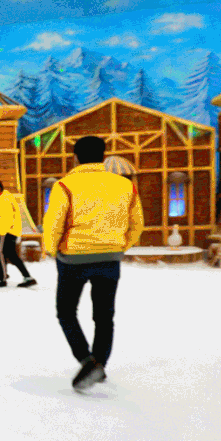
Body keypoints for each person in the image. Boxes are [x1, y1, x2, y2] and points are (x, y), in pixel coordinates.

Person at [43, 135, 144, 391]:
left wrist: (51, 249)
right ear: (103, 157)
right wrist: (120, 246)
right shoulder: (125, 185)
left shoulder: (64, 185)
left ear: (75, 157)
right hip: (109, 258)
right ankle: (99, 363)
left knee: (66, 312)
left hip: (72, 258)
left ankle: (87, 360)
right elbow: (137, 224)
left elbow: (54, 222)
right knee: (104, 316)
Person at [0, 180, 37, 288]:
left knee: (0, 253)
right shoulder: (4, 198)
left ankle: (2, 279)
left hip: (6, 231)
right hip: (10, 231)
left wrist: (1, 232)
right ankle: (28, 277)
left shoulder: (4, 199)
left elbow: (6, 217)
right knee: (12, 255)